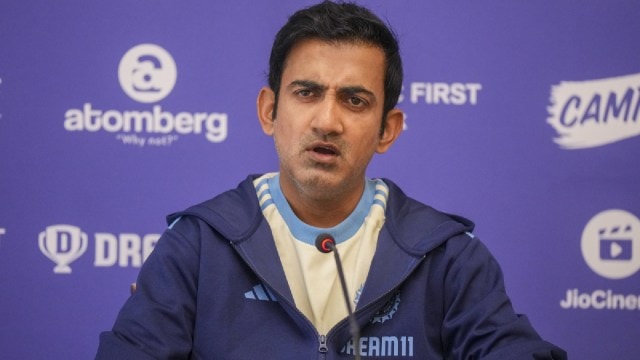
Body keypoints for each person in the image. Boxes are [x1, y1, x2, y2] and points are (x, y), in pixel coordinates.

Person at [96, 1, 567, 359]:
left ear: (388, 130)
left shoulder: (449, 257)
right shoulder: (196, 246)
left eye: (355, 101)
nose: (327, 121)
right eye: (307, 92)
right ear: (269, 110)